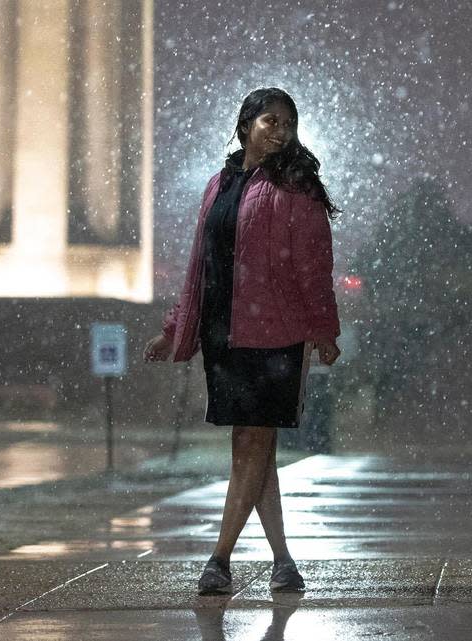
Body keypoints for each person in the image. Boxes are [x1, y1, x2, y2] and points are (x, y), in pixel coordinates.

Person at [144, 87, 342, 596]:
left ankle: (219, 559)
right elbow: (198, 266)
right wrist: (173, 329)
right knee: (256, 449)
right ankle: (283, 562)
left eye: (288, 123)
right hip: (224, 334)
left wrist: (323, 330)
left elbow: (314, 268)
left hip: (275, 335)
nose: (280, 131)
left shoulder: (298, 190)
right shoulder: (219, 185)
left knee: (250, 445)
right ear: (246, 125)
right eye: (270, 120)